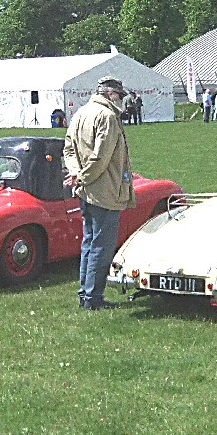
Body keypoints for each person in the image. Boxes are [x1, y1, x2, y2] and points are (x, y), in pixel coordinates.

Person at [63, 75, 135, 311]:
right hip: (103, 189)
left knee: (89, 243)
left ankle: (86, 294)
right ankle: (93, 298)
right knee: (101, 247)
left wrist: (76, 174)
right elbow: (101, 157)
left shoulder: (81, 113)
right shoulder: (107, 116)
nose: (121, 101)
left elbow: (69, 149)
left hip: (86, 189)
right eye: (120, 96)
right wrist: (82, 176)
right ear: (111, 94)